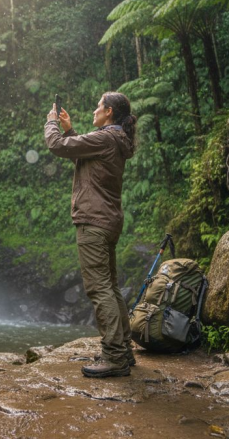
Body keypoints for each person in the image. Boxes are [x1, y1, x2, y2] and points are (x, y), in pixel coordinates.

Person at [44, 92, 137, 378]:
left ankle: (114, 357)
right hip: (108, 220)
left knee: (99, 288)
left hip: (94, 221)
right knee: (110, 286)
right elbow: (83, 161)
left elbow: (57, 145)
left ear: (109, 112)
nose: (94, 111)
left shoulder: (106, 138)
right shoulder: (116, 140)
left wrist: (52, 123)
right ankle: (124, 351)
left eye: (98, 107)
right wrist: (71, 130)